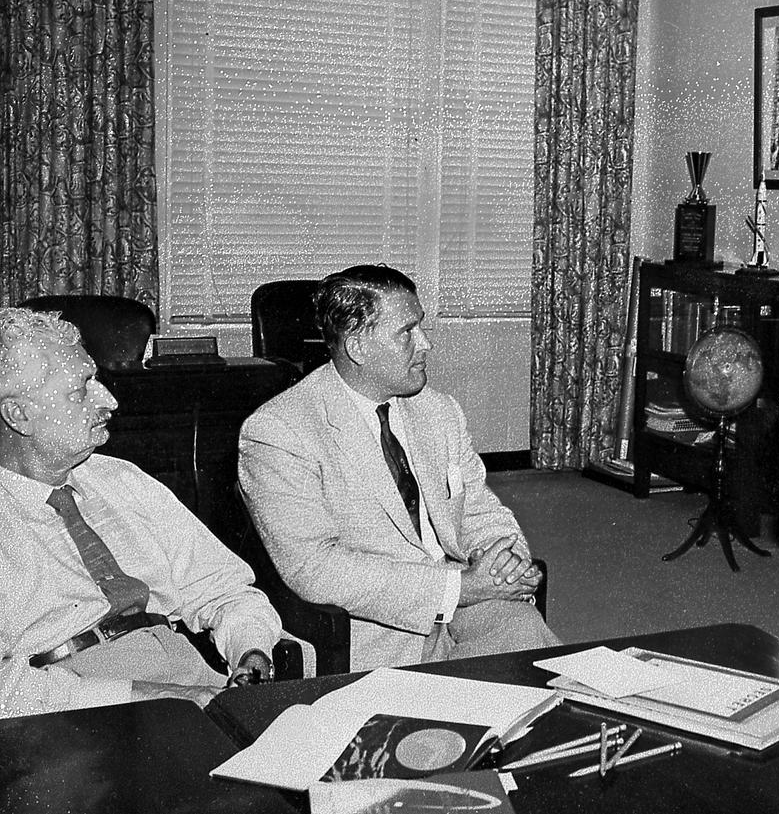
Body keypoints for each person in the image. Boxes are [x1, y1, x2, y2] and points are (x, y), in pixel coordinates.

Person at [239, 264, 557, 671]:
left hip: (468, 596)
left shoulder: (439, 411)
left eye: (420, 327)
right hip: (381, 630)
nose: (425, 344)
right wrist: (457, 589)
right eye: (406, 332)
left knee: (540, 672)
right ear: (357, 347)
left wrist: (509, 560)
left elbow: (477, 509)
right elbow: (314, 567)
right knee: (448, 722)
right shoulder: (279, 431)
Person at [0, 307, 281, 719]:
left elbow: (226, 589)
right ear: (18, 415)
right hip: (74, 714)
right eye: (80, 391)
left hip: (190, 684)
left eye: (95, 378)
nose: (109, 400)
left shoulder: (122, 479)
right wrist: (153, 695)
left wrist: (250, 650)